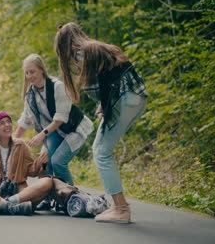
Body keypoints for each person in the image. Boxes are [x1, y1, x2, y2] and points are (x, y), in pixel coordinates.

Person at [54, 22, 148, 223]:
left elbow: (96, 87)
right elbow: (111, 79)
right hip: (137, 98)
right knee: (104, 150)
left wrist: (106, 104)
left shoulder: (81, 54)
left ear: (64, 45)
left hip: (125, 100)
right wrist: (103, 105)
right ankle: (117, 205)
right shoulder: (95, 47)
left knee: (101, 152)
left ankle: (121, 209)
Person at [15, 53, 94, 210]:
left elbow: (60, 119)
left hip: (73, 129)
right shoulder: (30, 94)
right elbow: (25, 120)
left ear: (41, 70)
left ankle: (73, 198)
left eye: (32, 71)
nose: (29, 76)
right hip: (53, 132)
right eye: (27, 72)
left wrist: (41, 136)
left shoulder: (57, 87)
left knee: (58, 161)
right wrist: (12, 141)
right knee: (44, 163)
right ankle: (48, 198)